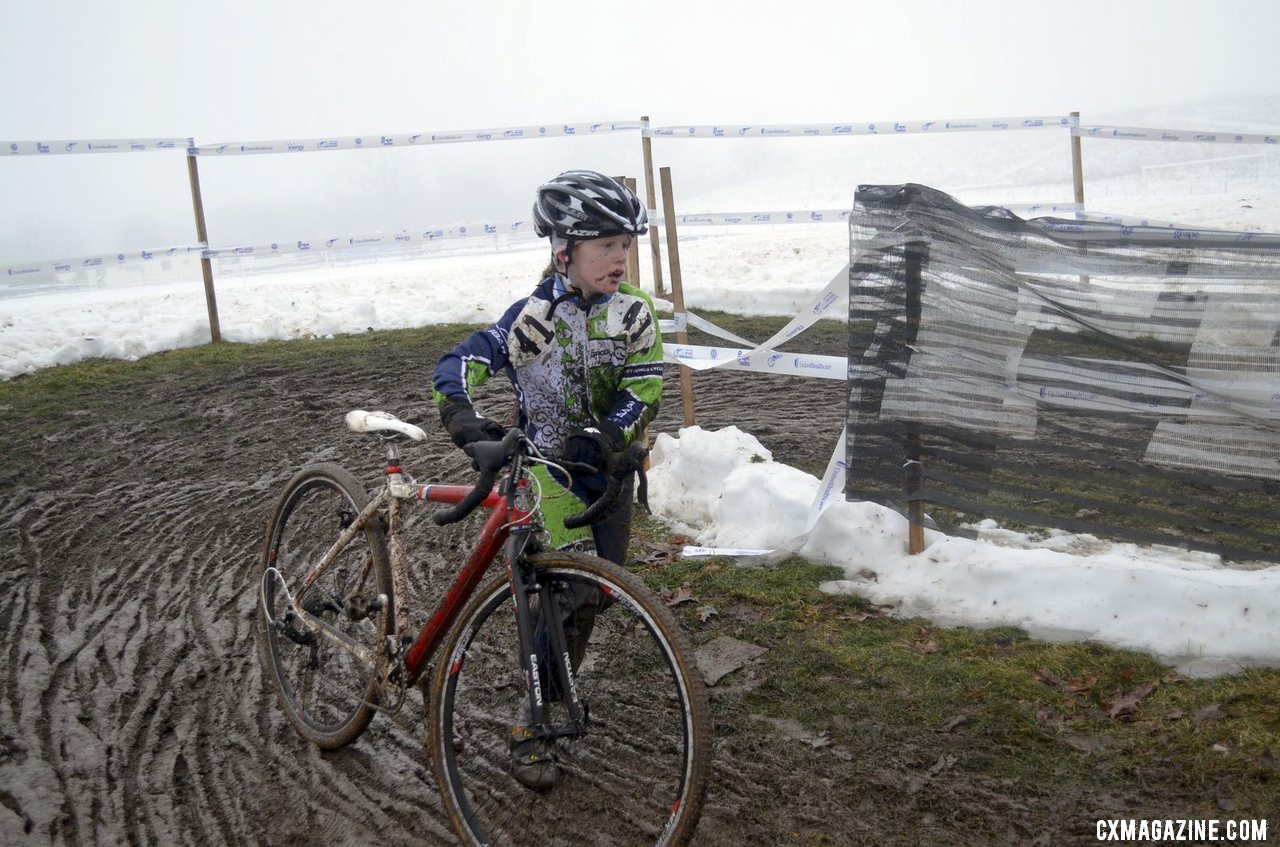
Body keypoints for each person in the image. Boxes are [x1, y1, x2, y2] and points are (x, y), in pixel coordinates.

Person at [431, 170, 662, 788]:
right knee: (567, 590)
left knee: (598, 594)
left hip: (607, 472)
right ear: (564, 251)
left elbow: (646, 384)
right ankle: (532, 725)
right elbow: (460, 362)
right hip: (548, 474)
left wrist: (610, 437)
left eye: (625, 245)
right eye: (604, 245)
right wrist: (462, 416)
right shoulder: (533, 318)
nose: (619, 258)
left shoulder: (635, 315)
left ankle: (554, 686)